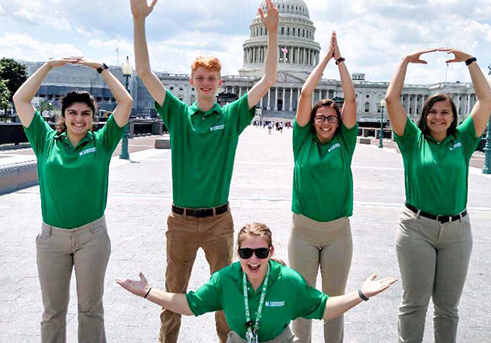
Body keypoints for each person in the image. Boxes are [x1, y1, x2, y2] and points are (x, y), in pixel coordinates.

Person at [130, 0, 279, 342]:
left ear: (220, 81)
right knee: (172, 293)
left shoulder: (230, 117)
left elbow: (268, 78)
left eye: (212, 78)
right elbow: (144, 73)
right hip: (180, 221)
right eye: (200, 78)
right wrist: (139, 21)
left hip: (217, 222)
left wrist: (271, 32)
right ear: (192, 81)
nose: (206, 83)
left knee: (227, 293)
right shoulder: (179, 114)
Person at [13, 57, 133, 343]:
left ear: (94, 117)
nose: (79, 119)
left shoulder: (102, 142)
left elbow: (125, 102)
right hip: (51, 238)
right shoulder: (44, 140)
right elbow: (21, 99)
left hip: (92, 236)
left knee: (90, 309)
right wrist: (50, 66)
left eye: (85, 113)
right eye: (72, 112)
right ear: (63, 115)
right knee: (52, 311)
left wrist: (100, 69)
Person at [117, 223, 397, 343]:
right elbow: (188, 305)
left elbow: (324, 308)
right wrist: (148, 292)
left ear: (271, 253)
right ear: (237, 253)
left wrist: (361, 294)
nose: (253, 259)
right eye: (246, 253)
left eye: (261, 253)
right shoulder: (225, 279)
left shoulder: (288, 281)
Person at [384, 48, 491, 343]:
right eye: (433, 111)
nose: (438, 117)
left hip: (457, 231)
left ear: (454, 117)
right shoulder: (411, 139)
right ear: (424, 115)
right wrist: (404, 62)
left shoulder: (464, 139)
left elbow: (486, 99)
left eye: (445, 112)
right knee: (414, 304)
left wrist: (471, 61)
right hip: (416, 227)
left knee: (448, 308)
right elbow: (391, 100)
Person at [288, 32, 357, 343]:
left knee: (334, 302)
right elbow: (304, 95)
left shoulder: (346, 142)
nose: (326, 122)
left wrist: (340, 60)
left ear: (338, 121)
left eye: (332, 117)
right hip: (302, 230)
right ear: (312, 120)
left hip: (337, 232)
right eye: (321, 117)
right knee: (302, 301)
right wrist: (323, 61)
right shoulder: (301, 141)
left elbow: (352, 99)